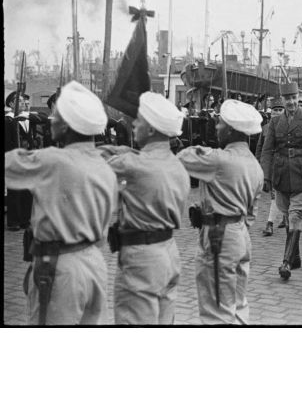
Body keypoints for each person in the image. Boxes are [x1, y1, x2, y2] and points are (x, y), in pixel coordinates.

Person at [5, 81, 117, 325]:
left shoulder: (53, 162)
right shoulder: (105, 165)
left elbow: (9, 166)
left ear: (66, 125)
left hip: (59, 267)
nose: (50, 119)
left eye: (56, 115)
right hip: (94, 263)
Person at [99, 92, 190, 325]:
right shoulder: (176, 165)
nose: (134, 124)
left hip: (141, 258)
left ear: (150, 130)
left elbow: (94, 166)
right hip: (168, 251)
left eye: (138, 120)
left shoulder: (133, 164)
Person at [178, 99, 264, 324]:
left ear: (232, 130)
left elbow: (182, 158)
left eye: (220, 124)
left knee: (216, 309)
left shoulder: (219, 159)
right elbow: (252, 212)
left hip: (219, 236)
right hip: (240, 234)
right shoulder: (256, 165)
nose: (216, 128)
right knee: (238, 304)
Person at [260, 81, 302, 280]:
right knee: (288, 217)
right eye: (287, 99)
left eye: (294, 98)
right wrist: (266, 176)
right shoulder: (274, 123)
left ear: (299, 98)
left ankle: (286, 262)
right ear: (282, 100)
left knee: (296, 216)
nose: (291, 102)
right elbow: (267, 150)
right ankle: (295, 257)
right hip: (282, 176)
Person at [255, 97, 285, 237]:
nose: (278, 113)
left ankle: (277, 219)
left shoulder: (289, 126)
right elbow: (260, 149)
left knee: (283, 194)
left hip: (285, 165)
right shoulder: (265, 129)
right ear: (270, 112)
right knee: (275, 194)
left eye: (280, 110)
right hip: (271, 166)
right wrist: (259, 166)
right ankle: (270, 223)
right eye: (275, 110)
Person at [4, 91, 33, 231]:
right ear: (11, 104)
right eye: (18, 100)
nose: (22, 102)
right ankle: (13, 220)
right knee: (15, 191)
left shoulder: (25, 119)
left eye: (23, 100)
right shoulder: (8, 120)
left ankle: (25, 219)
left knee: (27, 191)